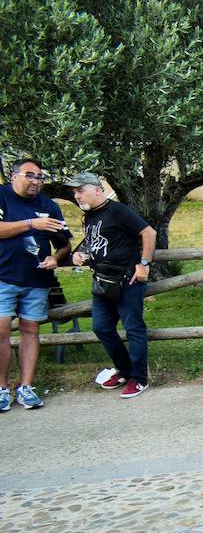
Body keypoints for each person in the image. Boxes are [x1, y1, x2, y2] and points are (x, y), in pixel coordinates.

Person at [65, 173, 156, 398]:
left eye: (80, 190)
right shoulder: (89, 216)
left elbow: (148, 232)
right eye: (74, 192)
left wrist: (144, 264)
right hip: (102, 282)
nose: (77, 195)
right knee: (101, 328)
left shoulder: (118, 210)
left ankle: (139, 379)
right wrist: (79, 253)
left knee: (133, 328)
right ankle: (126, 371)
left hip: (127, 280)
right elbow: (93, 241)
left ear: (97, 190)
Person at [0, 158, 71, 412]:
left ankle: (26, 387)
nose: (36, 181)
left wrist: (56, 257)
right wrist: (31, 224)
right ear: (14, 176)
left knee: (31, 331)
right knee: (2, 331)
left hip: (36, 279)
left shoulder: (48, 205)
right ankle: (2, 389)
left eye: (39, 177)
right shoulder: (2, 197)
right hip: (3, 276)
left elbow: (64, 243)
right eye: (30, 176)